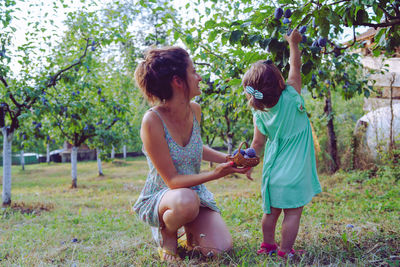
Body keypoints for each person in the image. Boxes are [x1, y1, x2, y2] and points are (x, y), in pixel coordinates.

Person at [133, 46, 250, 262]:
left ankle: (191, 231)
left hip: (193, 194)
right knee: (186, 200)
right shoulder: (152, 121)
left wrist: (230, 160)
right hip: (165, 195)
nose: (199, 77)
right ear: (178, 81)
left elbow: (195, 147)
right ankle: (168, 233)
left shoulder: (194, 110)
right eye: (193, 71)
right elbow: (173, 180)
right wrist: (216, 174)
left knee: (220, 250)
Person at [242, 29, 322, 259]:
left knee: (271, 212)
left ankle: (267, 245)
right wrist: (293, 43)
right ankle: (285, 251)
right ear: (280, 82)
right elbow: (295, 67)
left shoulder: (260, 113)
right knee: (293, 213)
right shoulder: (291, 96)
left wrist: (249, 162)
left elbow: (257, 143)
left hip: (272, 171)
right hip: (294, 171)